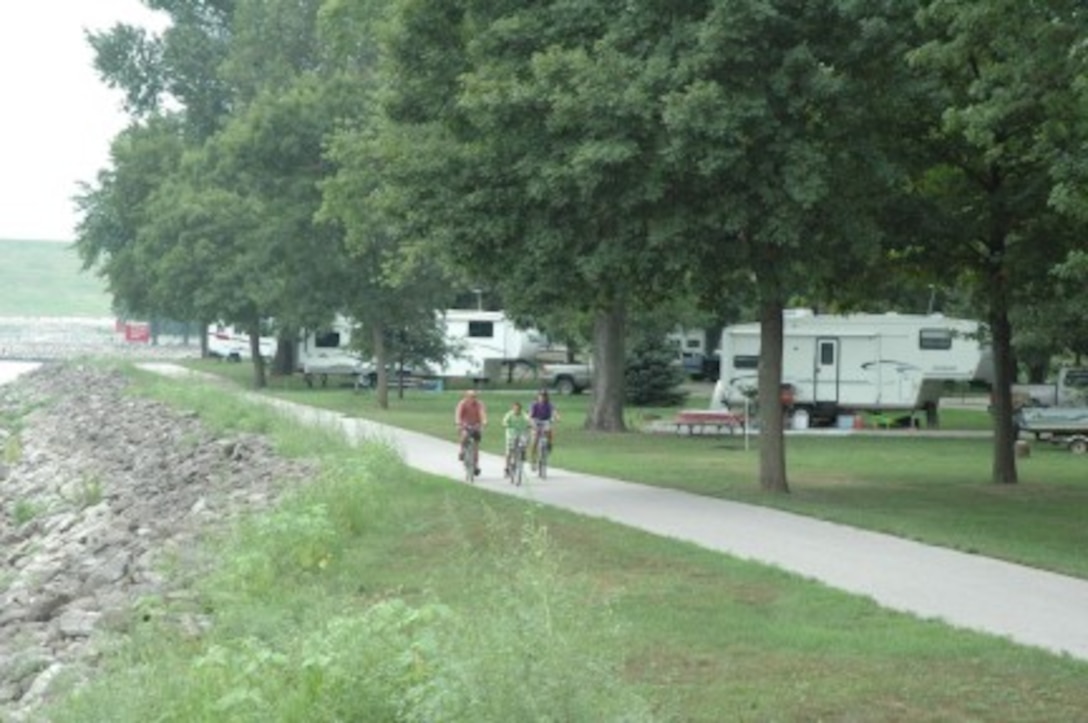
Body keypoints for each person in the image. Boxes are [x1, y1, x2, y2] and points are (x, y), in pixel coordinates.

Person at [454, 388, 488, 475]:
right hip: (465, 424)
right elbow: (458, 414)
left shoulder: (479, 404)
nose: (473, 398)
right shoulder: (462, 403)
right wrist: (458, 423)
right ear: (466, 396)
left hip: (476, 424)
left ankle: (475, 465)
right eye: (471, 396)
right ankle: (462, 451)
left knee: (476, 446)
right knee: (464, 435)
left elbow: (482, 413)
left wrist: (484, 422)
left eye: (474, 396)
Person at [529, 389, 559, 467]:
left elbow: (554, 411)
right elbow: (530, 414)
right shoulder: (534, 404)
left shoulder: (549, 404)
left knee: (549, 432)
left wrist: (557, 417)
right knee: (535, 440)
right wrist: (531, 421)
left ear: (547, 397)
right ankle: (533, 460)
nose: (542, 398)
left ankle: (549, 445)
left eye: (544, 396)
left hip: (546, 421)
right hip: (536, 421)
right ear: (538, 396)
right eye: (541, 396)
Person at [501, 400, 532, 478]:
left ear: (520, 409)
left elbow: (528, 419)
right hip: (511, 434)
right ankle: (507, 467)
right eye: (515, 409)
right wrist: (505, 424)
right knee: (509, 451)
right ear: (513, 409)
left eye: (518, 409)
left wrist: (530, 424)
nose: (516, 410)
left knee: (524, 442)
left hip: (521, 433)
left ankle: (522, 454)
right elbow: (504, 421)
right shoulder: (509, 414)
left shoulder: (523, 414)